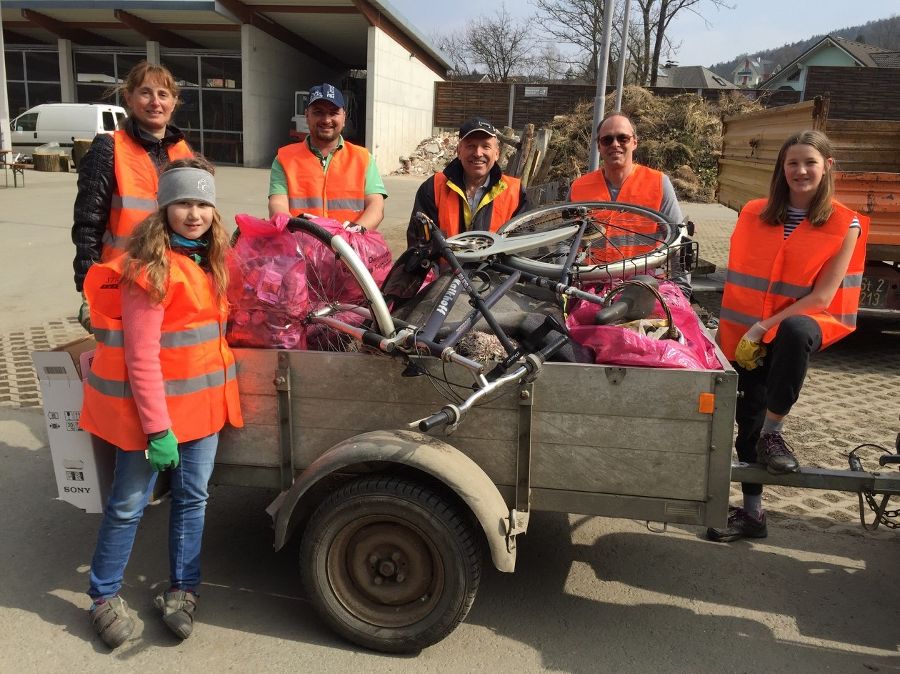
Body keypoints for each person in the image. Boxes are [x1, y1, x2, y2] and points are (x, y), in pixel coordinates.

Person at [79, 157, 244, 648]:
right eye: (183, 203)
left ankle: (183, 589)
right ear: (165, 208)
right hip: (154, 419)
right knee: (128, 506)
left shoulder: (208, 260)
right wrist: (157, 430)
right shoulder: (148, 269)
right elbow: (141, 357)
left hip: (204, 413)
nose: (194, 213)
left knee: (193, 500)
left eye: (202, 203)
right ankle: (103, 595)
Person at [707, 130, 868, 543]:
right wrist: (749, 332)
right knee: (747, 419)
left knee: (794, 332)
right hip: (746, 332)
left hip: (809, 320)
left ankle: (773, 433)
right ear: (782, 168)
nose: (800, 170)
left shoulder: (843, 222)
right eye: (793, 163)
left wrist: (766, 326)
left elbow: (824, 295)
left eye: (810, 163)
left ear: (827, 167)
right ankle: (754, 515)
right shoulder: (754, 213)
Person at [72, 60, 193, 332]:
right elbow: (87, 224)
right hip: (122, 281)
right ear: (129, 97)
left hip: (174, 280)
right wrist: (86, 287)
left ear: (174, 102)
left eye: (163, 94)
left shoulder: (183, 152)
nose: (155, 102)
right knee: (123, 367)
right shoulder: (108, 148)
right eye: (146, 92)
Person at [568, 113, 691, 296]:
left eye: (622, 138)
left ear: (634, 142)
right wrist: (564, 280)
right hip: (591, 288)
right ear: (599, 146)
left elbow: (677, 240)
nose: (615, 144)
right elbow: (565, 241)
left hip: (644, 287)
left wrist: (682, 290)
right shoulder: (579, 188)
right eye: (607, 140)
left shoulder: (657, 183)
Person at [268, 83, 387, 231]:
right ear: (307, 115)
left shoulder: (363, 159)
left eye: (333, 112)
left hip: (350, 249)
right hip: (300, 248)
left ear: (344, 116)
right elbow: (277, 204)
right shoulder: (284, 159)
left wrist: (353, 234)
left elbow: (376, 206)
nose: (326, 120)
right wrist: (294, 230)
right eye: (318, 112)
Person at [406, 117, 527, 246]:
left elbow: (525, 245)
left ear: (497, 153)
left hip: (498, 266)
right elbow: (418, 243)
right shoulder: (433, 188)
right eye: (471, 146)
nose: (478, 153)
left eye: (486, 146)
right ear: (458, 151)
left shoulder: (516, 192)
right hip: (446, 266)